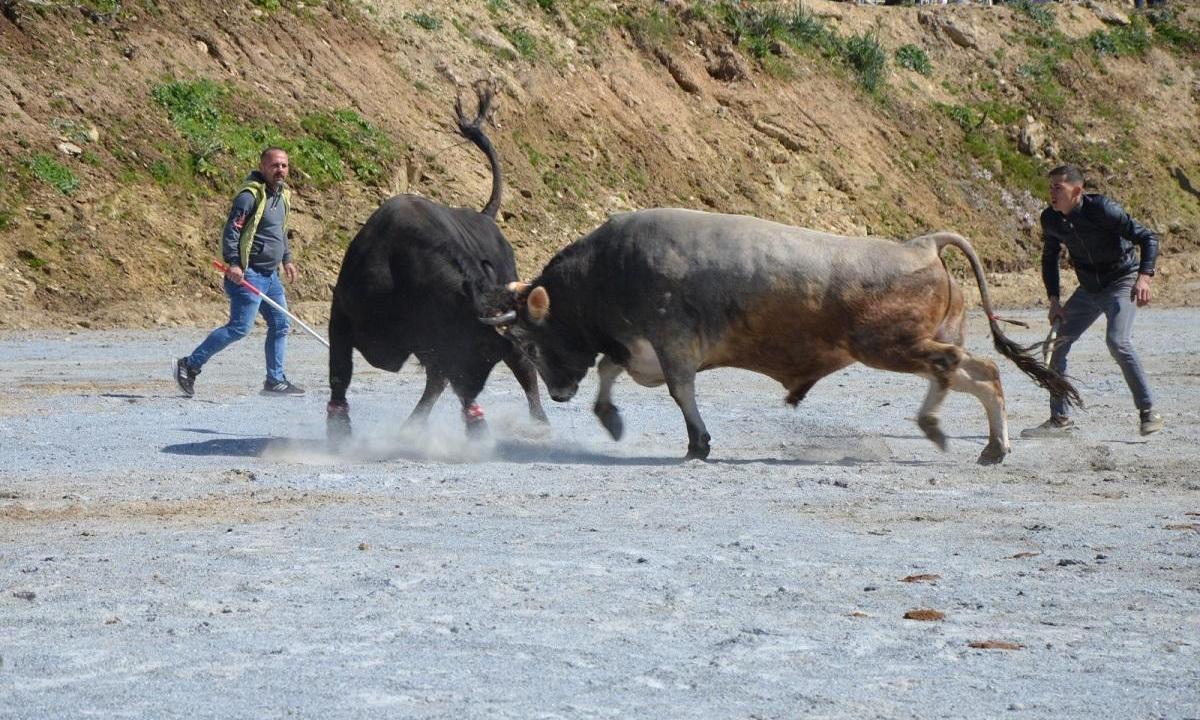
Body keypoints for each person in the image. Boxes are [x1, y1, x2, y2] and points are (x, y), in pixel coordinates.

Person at [1022, 164, 1162, 438]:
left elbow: (1147, 237)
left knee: (1117, 341)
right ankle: (1059, 420)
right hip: (1088, 288)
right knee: (1057, 344)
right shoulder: (1051, 219)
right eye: (1050, 187)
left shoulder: (1102, 209)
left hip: (1122, 280)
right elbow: (1049, 258)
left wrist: (1144, 278)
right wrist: (1054, 300)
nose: (1052, 193)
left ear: (1077, 191)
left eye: (1058, 187)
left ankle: (1148, 411)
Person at [175, 147, 305, 397]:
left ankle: (275, 380)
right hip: (249, 274)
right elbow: (232, 231)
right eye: (275, 165)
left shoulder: (283, 195)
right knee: (239, 328)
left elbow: (280, 231)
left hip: (271, 276)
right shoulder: (249, 196)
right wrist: (234, 263)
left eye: (284, 166)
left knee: (280, 324)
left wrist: (287, 258)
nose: (280, 170)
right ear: (263, 166)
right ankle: (189, 365)